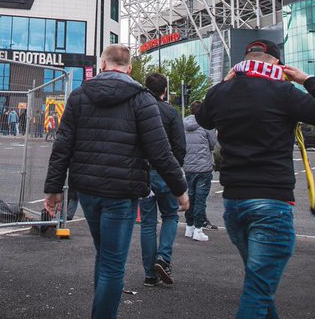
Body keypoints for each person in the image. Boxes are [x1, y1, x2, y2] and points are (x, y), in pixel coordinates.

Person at [195, 38, 315, 318]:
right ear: (277, 64)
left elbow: (203, 118)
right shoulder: (283, 91)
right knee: (258, 291)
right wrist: (307, 79)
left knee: (261, 286)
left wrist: (223, 83)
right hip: (271, 203)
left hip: (234, 204)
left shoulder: (222, 93)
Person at [43, 45, 188, 319]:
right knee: (112, 263)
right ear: (130, 68)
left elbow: (63, 146)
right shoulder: (141, 99)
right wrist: (179, 189)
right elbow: (160, 151)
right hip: (122, 192)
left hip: (87, 189)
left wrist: (53, 189)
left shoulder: (79, 96)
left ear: (102, 64)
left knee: (104, 255)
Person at [140, 72, 186, 285]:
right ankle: (163, 258)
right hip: (165, 172)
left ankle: (150, 274)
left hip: (143, 173)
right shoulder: (171, 113)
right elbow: (180, 146)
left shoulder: (138, 110)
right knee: (170, 216)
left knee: (148, 223)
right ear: (165, 90)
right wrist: (175, 170)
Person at [183, 99, 217, 242]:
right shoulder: (206, 124)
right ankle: (198, 229)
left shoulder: (183, 123)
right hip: (203, 167)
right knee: (200, 199)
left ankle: (189, 227)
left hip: (188, 166)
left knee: (190, 196)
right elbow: (212, 144)